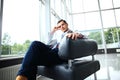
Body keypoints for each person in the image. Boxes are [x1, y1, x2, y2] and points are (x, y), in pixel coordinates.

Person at [16, 19, 84, 80]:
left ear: (67, 24)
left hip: (61, 54)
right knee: (35, 44)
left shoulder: (72, 32)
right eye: (59, 26)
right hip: (53, 51)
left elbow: (82, 35)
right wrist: (53, 31)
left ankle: (22, 77)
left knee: (32, 59)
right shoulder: (58, 37)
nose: (61, 27)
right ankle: (22, 77)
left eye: (63, 24)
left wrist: (75, 34)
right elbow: (48, 42)